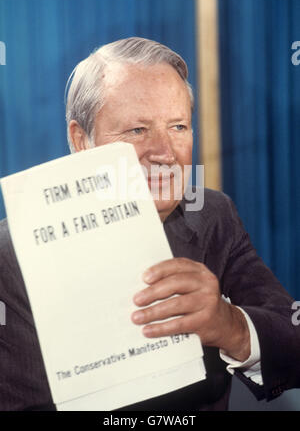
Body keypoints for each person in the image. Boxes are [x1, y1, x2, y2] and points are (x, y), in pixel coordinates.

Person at [0, 37, 299, 411]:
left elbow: (294, 342)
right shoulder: (9, 258)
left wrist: (232, 326)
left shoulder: (212, 215)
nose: (164, 153)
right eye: (137, 131)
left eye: (178, 126)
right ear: (81, 140)